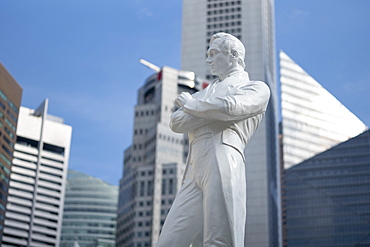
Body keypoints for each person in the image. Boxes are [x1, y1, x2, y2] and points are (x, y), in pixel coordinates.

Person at [156, 32, 270, 247]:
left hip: (224, 154)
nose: (208, 60)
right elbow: (177, 122)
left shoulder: (255, 88)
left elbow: (231, 108)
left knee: (220, 238)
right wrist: (208, 109)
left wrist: (192, 105)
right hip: (194, 168)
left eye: (213, 54)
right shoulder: (205, 93)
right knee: (169, 241)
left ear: (234, 55)